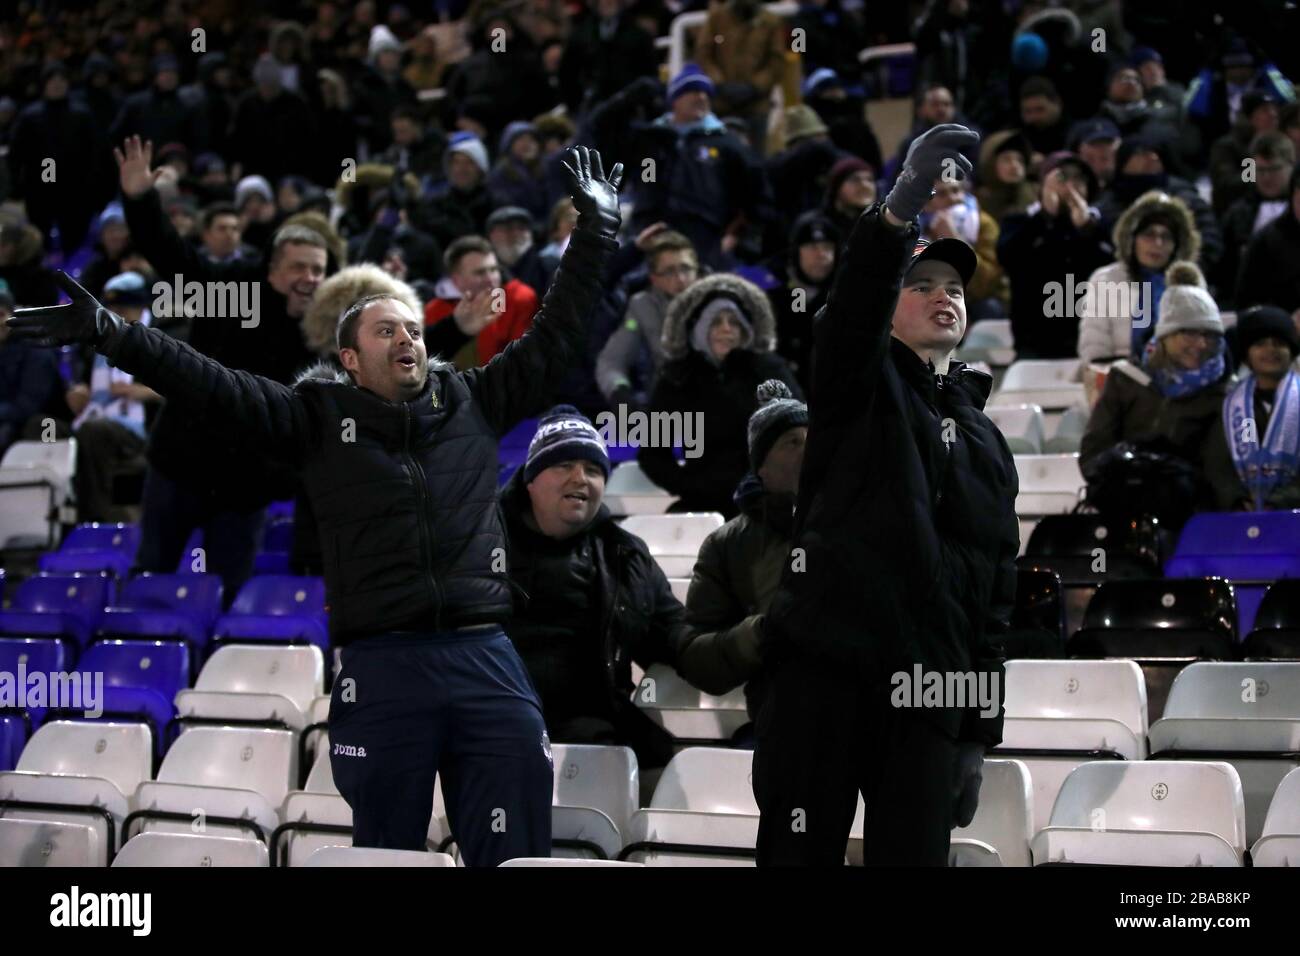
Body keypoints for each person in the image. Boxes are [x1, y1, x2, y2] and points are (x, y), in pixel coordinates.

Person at [9, 146, 625, 868]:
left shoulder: (474, 399)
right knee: (386, 856)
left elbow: (558, 331)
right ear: (350, 360)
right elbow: (208, 381)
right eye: (386, 330)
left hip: (484, 653)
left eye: (416, 330)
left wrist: (599, 229)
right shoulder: (314, 418)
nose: (408, 339)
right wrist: (113, 334)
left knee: (516, 849)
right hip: (382, 661)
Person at [754, 124, 1017, 866]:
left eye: (955, 288)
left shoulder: (989, 445)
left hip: (931, 695)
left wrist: (975, 733)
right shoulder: (857, 386)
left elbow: (997, 602)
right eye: (922, 285)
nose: (943, 298)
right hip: (823, 677)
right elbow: (849, 315)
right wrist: (894, 214)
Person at [115, 135, 329, 599]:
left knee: (230, 591)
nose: (309, 279)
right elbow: (175, 260)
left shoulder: (322, 329)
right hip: (181, 463)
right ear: (271, 270)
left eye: (317, 269)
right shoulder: (234, 290)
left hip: (248, 486)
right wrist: (140, 200)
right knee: (151, 572)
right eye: (298, 268)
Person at [499, 406, 687, 773]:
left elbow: (676, 636)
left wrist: (745, 642)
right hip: (491, 725)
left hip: (592, 728)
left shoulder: (625, 555)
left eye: (594, 469)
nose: (580, 478)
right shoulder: (476, 542)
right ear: (531, 479)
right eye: (563, 465)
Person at [677, 380, 808, 743]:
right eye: (792, 442)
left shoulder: (858, 522)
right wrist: (759, 634)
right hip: (783, 719)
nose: (810, 449)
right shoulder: (728, 546)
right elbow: (696, 658)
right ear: (761, 466)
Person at [637, 273, 803, 518]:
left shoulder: (769, 370)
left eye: (734, 322)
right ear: (699, 327)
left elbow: (799, 435)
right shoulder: (676, 379)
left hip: (768, 503)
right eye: (716, 321)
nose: (726, 329)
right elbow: (652, 452)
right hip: (701, 503)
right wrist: (688, 484)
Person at [1079, 262, 1234, 520]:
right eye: (1189, 333)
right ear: (1166, 334)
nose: (1201, 344)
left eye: (1209, 335)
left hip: (1188, 516)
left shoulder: (1222, 394)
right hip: (1121, 510)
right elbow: (1094, 450)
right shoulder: (1127, 379)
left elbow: (1218, 468)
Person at [997, 151, 1111, 360]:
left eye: (1078, 178)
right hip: (1035, 342)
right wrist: (1045, 217)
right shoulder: (1020, 223)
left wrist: (1086, 229)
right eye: (1062, 178)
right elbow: (1008, 258)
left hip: (1092, 340)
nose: (1070, 187)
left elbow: (1112, 268)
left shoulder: (1104, 227)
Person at [69, 272, 161, 523]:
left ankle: (97, 519)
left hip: (143, 429)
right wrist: (79, 394)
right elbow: (87, 385)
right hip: (98, 416)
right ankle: (53, 524)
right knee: (44, 429)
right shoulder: (98, 342)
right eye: (112, 307)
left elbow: (185, 387)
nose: (117, 313)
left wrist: (141, 391)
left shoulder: (162, 338)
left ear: (141, 307)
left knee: (93, 432)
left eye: (123, 307)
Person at [1077, 190, 1201, 365]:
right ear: (1132, 239)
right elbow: (1095, 345)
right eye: (1149, 234)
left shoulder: (1189, 284)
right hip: (1117, 379)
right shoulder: (1105, 279)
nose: (1157, 244)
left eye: (1166, 237)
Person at [1206, 306, 1300, 511]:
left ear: (1291, 352)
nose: (1270, 350)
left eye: (1279, 343)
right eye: (1260, 344)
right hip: (1243, 516)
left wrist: (1279, 502)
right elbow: (1221, 464)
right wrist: (1237, 500)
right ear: (1247, 356)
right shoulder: (1237, 407)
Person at [595, 229, 700, 410]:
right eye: (669, 272)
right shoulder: (642, 306)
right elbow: (612, 361)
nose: (681, 279)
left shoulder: (719, 299)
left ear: (697, 270)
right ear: (653, 278)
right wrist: (619, 391)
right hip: (671, 406)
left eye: (686, 268)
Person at [423, 235, 540, 370]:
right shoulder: (434, 310)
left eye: (494, 269)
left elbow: (524, 359)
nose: (491, 279)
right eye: (480, 273)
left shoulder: (520, 299)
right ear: (456, 280)